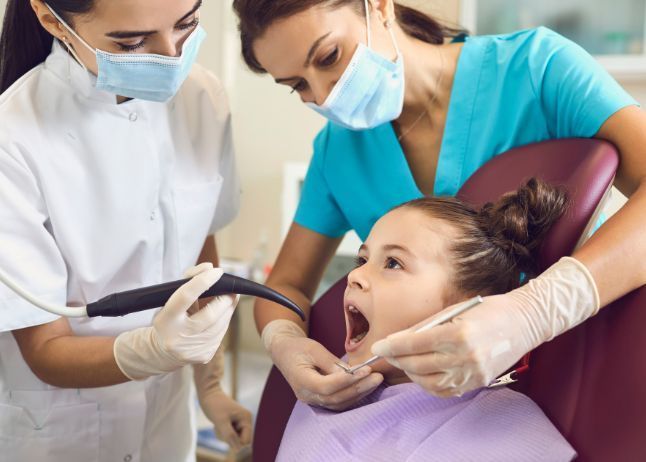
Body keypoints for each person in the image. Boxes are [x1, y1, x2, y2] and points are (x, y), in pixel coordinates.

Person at [232, 0, 646, 408]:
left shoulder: (538, 69)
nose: (323, 94)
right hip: (447, 412)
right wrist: (284, 343)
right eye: (297, 86)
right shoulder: (335, 153)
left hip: (598, 374)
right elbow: (285, 285)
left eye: (329, 56)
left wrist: (536, 310)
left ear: (378, 7)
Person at [0, 1, 250, 461]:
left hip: (169, 424)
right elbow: (44, 348)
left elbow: (200, 253)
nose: (173, 57)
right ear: (52, 18)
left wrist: (210, 386)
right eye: (132, 43)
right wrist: (153, 350)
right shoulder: (12, 139)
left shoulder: (204, 97)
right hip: (62, 433)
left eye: (187, 24)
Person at [276, 178, 576, 461]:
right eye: (362, 260)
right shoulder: (326, 380)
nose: (354, 275)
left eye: (393, 263)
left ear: (468, 309)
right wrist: (283, 339)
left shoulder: (509, 437)